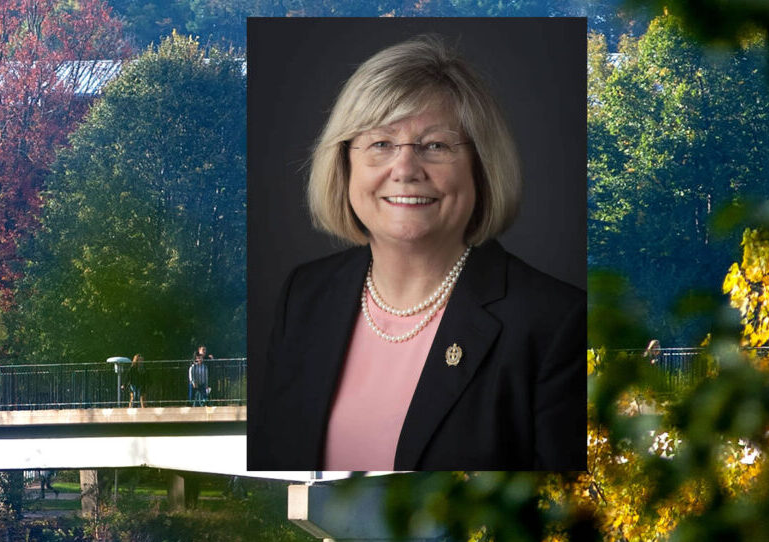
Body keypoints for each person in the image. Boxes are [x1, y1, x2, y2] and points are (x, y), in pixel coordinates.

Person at [249, 34, 585, 473]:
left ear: (481, 168)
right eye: (381, 144)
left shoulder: (554, 323)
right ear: (344, 164)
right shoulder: (305, 296)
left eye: (436, 146)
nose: (405, 170)